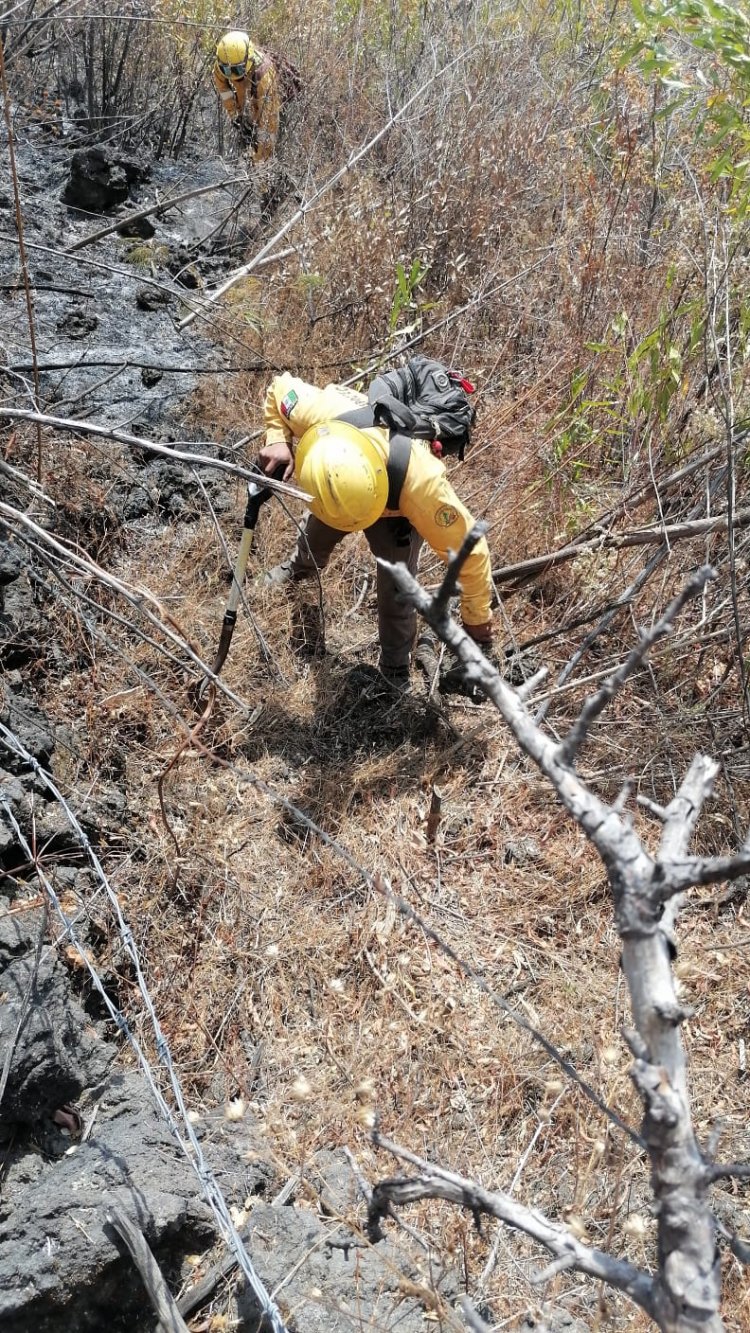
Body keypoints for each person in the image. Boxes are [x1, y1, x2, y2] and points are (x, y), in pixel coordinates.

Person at [256, 368, 494, 692]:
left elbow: (472, 553)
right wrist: (277, 439)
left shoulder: (422, 486)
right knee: (312, 544)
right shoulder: (320, 413)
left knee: (397, 594)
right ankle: (293, 574)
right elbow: (278, 388)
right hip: (331, 486)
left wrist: (477, 627)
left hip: (394, 505)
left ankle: (394, 675)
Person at [213, 31, 280, 164]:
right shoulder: (223, 66)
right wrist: (235, 115)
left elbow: (269, 124)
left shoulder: (264, 78)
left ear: (248, 61)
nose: (231, 75)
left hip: (270, 102)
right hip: (247, 99)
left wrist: (261, 158)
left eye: (237, 70)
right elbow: (225, 92)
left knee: (267, 144)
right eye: (227, 71)